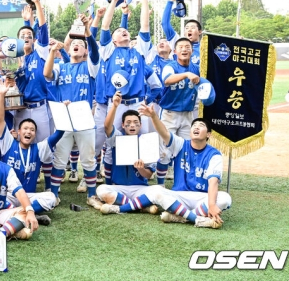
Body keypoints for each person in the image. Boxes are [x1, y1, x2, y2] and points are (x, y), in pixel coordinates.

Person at [102, 104, 231, 229]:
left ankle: (180, 216)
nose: (196, 128)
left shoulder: (214, 154)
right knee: (157, 191)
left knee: (225, 198)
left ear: (208, 134)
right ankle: (196, 219)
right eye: (194, 126)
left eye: (201, 126)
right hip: (179, 195)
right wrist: (153, 116)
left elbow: (213, 182)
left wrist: (212, 204)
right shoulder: (181, 144)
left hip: (201, 196)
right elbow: (164, 133)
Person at [43, 13, 100, 203]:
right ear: (69, 48)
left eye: (82, 45)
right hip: (64, 117)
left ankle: (92, 195)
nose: (78, 45)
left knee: (88, 159)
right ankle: (54, 195)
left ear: (85, 51)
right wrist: (52, 52)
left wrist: (87, 32)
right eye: (75, 44)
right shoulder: (62, 66)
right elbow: (47, 73)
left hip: (84, 118)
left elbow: (95, 51)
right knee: (59, 157)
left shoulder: (90, 66)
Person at [99, 0, 162, 134]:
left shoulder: (139, 50)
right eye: (119, 31)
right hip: (116, 103)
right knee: (114, 142)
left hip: (137, 103)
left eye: (124, 30)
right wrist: (114, 1)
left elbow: (145, 25)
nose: (123, 31)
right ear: (113, 40)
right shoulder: (109, 51)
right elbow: (105, 26)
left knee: (142, 140)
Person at [0, 80, 61, 221]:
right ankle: (29, 213)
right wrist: (1, 95)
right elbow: (0, 120)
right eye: (25, 128)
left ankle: (19, 213)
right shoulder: (8, 143)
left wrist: (63, 111)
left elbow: (59, 133)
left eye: (32, 130)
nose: (28, 132)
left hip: (29, 195)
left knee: (51, 198)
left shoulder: (39, 148)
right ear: (18, 132)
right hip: (9, 195)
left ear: (35, 134)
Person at [95, 91, 157, 214]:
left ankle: (122, 206)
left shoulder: (146, 141)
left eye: (135, 123)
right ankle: (140, 206)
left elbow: (149, 175)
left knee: (157, 191)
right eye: (128, 123)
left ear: (140, 125)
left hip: (140, 188)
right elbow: (107, 127)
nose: (132, 126)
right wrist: (115, 106)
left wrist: (141, 169)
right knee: (101, 189)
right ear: (123, 125)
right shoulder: (116, 138)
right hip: (119, 187)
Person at [155, 38, 201, 185]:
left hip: (188, 115)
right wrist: (186, 75)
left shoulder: (196, 68)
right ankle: (160, 185)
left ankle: (182, 184)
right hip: (169, 114)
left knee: (186, 151)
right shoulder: (170, 66)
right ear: (175, 52)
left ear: (192, 51)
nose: (184, 49)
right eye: (180, 47)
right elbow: (167, 80)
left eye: (187, 47)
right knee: (165, 152)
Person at [13, 0, 51, 142]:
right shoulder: (14, 59)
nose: (26, 37)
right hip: (20, 108)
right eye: (22, 35)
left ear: (34, 40)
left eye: (29, 35)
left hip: (39, 107)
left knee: (44, 148)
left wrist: (37, 4)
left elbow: (42, 28)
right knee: (20, 145)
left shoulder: (40, 53)